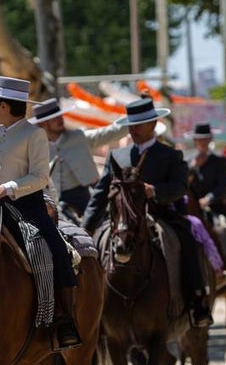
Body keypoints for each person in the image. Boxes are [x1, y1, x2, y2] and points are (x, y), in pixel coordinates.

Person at [81, 97, 214, 328]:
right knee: (96, 245)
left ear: (152, 125)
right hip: (122, 218)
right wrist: (85, 228)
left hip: (161, 214)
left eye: (138, 125)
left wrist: (156, 191)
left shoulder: (171, 155)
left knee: (186, 239)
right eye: (130, 125)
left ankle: (196, 300)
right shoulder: (117, 156)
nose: (133, 130)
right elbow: (100, 194)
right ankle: (96, 308)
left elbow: (180, 187)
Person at [0, 75, 83, 348]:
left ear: (4, 105)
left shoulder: (34, 134)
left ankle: (63, 318)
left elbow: (40, 176)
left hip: (26, 206)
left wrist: (7, 188)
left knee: (55, 248)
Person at [30, 97, 128, 217]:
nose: (61, 119)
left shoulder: (78, 137)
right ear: (43, 124)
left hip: (85, 195)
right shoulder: (36, 149)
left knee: (101, 222)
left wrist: (133, 120)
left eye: (60, 116)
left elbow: (109, 133)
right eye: (55, 118)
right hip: (55, 201)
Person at [185, 122, 226, 221]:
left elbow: (223, 185)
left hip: (214, 207)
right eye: (199, 139)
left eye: (205, 139)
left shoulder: (219, 161)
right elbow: (182, 184)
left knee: (223, 230)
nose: (202, 142)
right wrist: (193, 167)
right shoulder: (187, 162)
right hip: (190, 207)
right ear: (194, 140)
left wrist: (208, 198)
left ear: (210, 139)